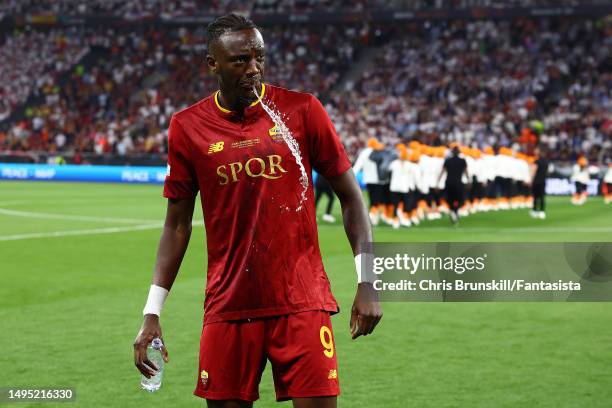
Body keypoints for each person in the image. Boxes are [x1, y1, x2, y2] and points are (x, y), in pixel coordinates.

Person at [133, 14, 382, 408]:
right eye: (240, 60)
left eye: (259, 57)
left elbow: (351, 197)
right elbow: (177, 226)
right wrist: (152, 311)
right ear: (212, 63)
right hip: (228, 306)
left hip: (301, 300)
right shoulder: (187, 127)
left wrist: (367, 281)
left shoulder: (301, 110)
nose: (253, 68)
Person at [437, 145, 468, 225]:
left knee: (450, 198)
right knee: (459, 199)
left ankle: (453, 211)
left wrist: (438, 181)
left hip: (449, 182)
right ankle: (455, 210)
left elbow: (442, 171)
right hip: (458, 182)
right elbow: (466, 172)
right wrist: (468, 180)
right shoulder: (462, 161)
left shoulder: (448, 160)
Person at [529, 147, 549, 219]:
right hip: (543, 181)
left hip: (536, 181)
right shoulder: (546, 162)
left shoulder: (537, 161)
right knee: (542, 197)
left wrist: (530, 180)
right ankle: (542, 212)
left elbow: (533, 171)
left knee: (535, 197)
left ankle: (534, 211)